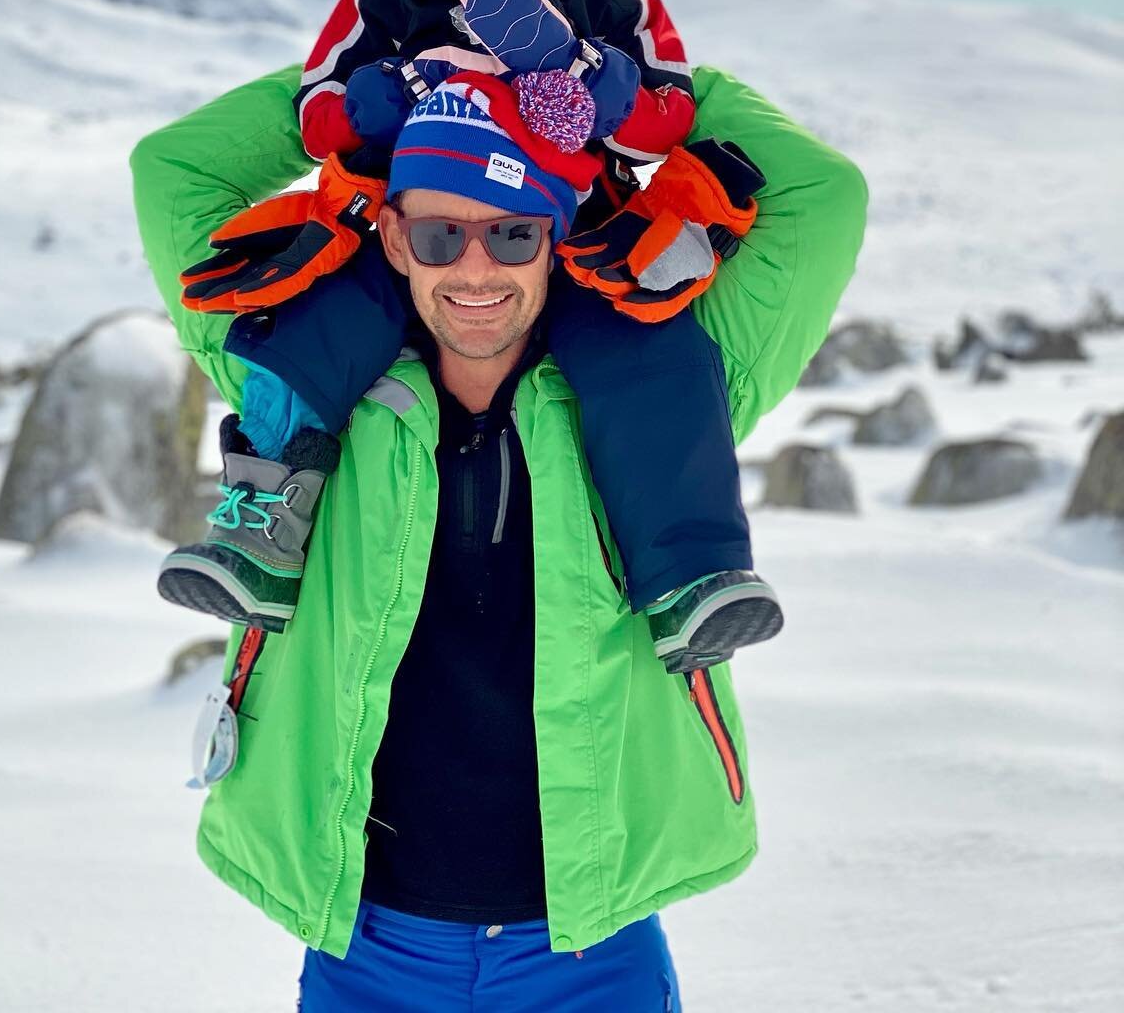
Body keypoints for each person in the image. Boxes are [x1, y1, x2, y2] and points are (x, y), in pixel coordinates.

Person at [130, 53, 866, 1006]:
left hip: (591, 951)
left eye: (514, 233)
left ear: (558, 236)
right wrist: (355, 82)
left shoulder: (671, 390)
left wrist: (629, 86)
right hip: (367, 948)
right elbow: (173, 172)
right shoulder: (308, 386)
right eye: (440, 235)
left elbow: (824, 194)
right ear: (392, 239)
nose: (475, 269)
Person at [158, 0, 781, 672]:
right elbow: (318, 117)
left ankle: (691, 578)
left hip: (566, 235)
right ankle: (261, 528)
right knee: (309, 329)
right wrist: (388, 92)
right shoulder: (387, 3)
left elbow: (663, 121)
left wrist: (573, 67)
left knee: (651, 355)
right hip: (410, 230)